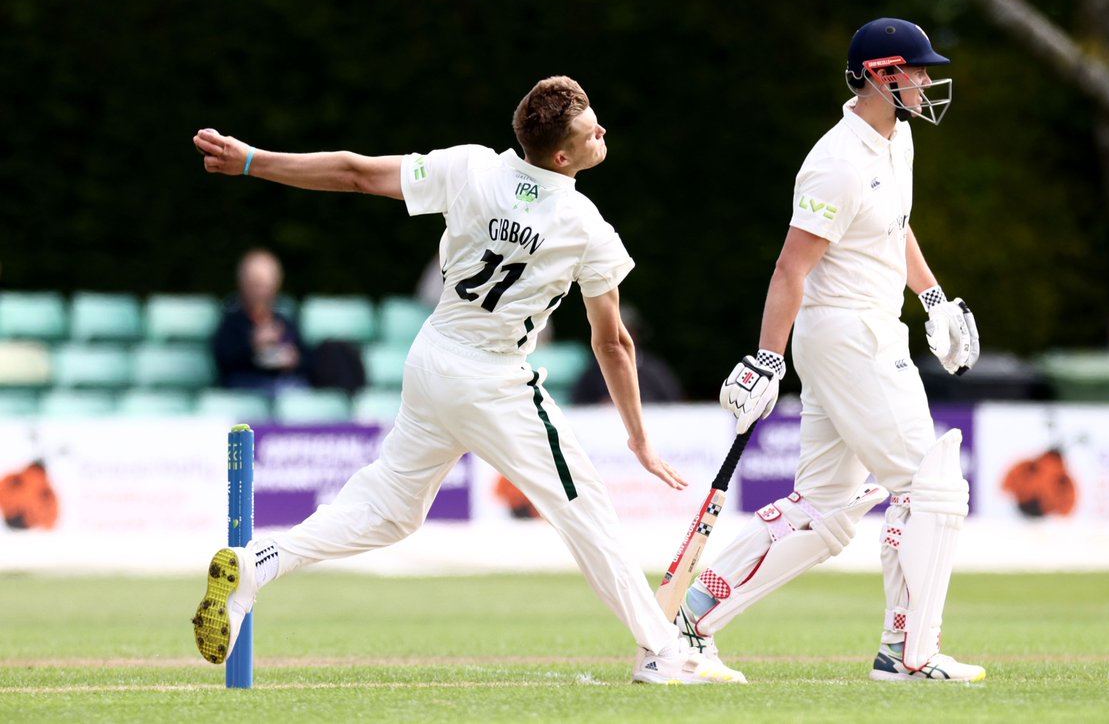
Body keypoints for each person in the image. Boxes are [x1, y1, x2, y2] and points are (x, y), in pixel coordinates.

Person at [189, 76, 745, 685]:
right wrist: (639, 438)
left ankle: (256, 565)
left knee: (389, 511)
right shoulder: (586, 225)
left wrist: (250, 161)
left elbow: (353, 172)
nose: (603, 130)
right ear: (562, 157)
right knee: (585, 510)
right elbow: (613, 341)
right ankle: (664, 653)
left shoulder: (471, 167)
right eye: (592, 127)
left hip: (432, 360)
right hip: (495, 378)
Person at [673, 19, 986, 683]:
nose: (928, 83)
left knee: (823, 509)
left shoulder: (894, 140)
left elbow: (893, 228)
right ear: (881, 74)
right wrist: (765, 357)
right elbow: (791, 267)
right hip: (847, 335)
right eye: (918, 71)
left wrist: (932, 299)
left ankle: (690, 620)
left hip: (866, 330)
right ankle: (907, 654)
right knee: (928, 490)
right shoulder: (835, 162)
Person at [211, 248, 309, 396]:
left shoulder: (284, 320)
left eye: (264, 284)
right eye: (255, 284)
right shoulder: (233, 320)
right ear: (243, 284)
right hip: (245, 388)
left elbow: (306, 360)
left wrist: (294, 358)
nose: (260, 291)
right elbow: (224, 360)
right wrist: (252, 345)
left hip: (285, 387)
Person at [571, 303, 683, 404]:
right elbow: (580, 406)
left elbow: (673, 403)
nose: (617, 338)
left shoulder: (654, 370)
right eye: (609, 332)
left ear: (635, 333)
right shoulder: (593, 373)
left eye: (625, 331)